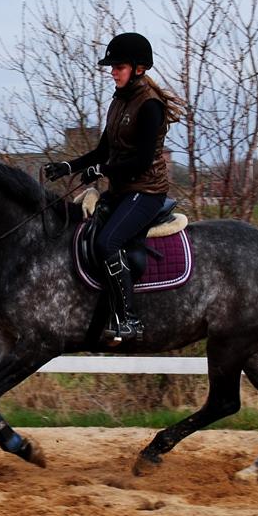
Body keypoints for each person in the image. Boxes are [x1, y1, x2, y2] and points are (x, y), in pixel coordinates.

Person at [44, 32, 181, 344]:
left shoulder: (150, 105)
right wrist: (69, 166)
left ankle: (129, 319)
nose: (112, 71)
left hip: (146, 191)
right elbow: (102, 151)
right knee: (82, 230)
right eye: (112, 67)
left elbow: (142, 160)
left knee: (107, 243)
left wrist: (102, 170)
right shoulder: (119, 102)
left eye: (118, 66)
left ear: (139, 68)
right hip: (122, 189)